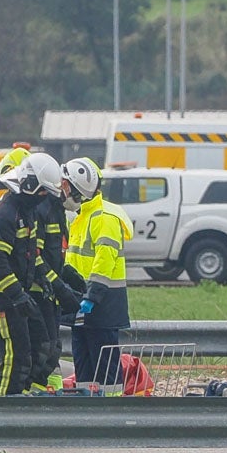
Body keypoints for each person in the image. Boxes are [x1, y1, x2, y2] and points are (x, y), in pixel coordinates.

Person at [0, 152, 63, 396]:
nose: (44, 198)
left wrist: (42, 278)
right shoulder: (4, 214)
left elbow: (30, 253)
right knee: (15, 359)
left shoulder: (26, 211)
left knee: (35, 350)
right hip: (0, 296)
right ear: (29, 185)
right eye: (43, 192)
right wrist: (17, 295)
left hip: (15, 294)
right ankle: (2, 414)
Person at [0, 148, 83, 392]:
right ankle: (13, 399)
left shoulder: (53, 211)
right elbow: (30, 257)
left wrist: (66, 276)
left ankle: (34, 394)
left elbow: (50, 253)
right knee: (29, 353)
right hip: (30, 291)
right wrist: (58, 285)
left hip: (42, 290)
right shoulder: (28, 211)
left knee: (49, 348)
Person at [61, 157, 134, 387]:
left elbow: (104, 262)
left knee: (106, 372)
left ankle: (112, 413)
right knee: (84, 369)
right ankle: (86, 414)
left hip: (102, 307)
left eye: (66, 186)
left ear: (79, 188)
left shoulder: (105, 218)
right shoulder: (82, 217)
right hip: (82, 305)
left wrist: (91, 298)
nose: (63, 191)